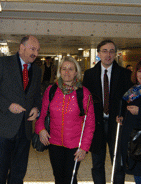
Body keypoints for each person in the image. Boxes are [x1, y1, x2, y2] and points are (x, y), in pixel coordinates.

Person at [0, 35, 42, 184]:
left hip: (24, 130)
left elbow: (36, 95)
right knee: (0, 172)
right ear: (21, 48)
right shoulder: (2, 63)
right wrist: (8, 105)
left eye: (38, 50)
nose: (35, 53)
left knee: (18, 173)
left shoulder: (37, 70)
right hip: (2, 128)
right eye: (32, 49)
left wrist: (36, 108)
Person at [36, 56, 95, 184]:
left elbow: (89, 124)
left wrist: (84, 148)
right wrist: (40, 129)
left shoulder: (84, 94)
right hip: (54, 144)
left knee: (70, 178)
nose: (66, 72)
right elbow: (42, 114)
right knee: (58, 178)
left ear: (76, 73)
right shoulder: (51, 91)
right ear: (59, 71)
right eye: (64, 69)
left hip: (75, 146)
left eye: (70, 69)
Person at [83, 40, 132, 184]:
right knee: (97, 164)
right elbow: (86, 100)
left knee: (118, 164)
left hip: (116, 125)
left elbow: (129, 98)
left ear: (115, 54)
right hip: (96, 124)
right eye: (104, 51)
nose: (108, 54)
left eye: (111, 51)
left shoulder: (125, 74)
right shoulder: (90, 74)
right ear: (98, 54)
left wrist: (124, 115)